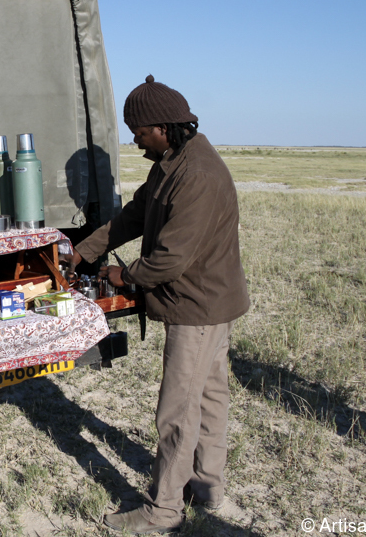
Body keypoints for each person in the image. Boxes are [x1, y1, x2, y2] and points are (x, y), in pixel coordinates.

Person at [69, 75, 250, 534]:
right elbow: (135, 214)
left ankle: (163, 510)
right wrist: (86, 250)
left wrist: (124, 274)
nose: (134, 140)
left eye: (139, 131)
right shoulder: (171, 162)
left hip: (198, 305)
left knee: (177, 410)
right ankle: (206, 488)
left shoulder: (197, 175)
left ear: (164, 127)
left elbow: (169, 258)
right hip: (205, 302)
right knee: (209, 399)